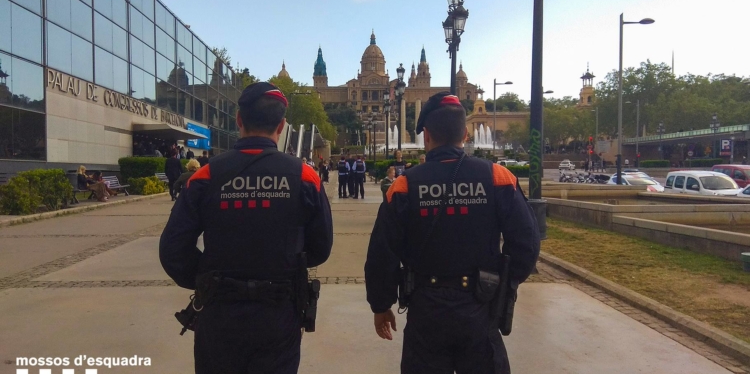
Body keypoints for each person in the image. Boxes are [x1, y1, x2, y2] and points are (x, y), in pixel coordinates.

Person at [160, 82, 333, 374]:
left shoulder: (205, 175)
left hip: (220, 312)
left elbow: (173, 249)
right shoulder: (304, 176)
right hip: (278, 312)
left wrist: (208, 279)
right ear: (281, 126)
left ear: (239, 120)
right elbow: (321, 247)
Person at [365, 92, 540, 374]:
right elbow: (527, 245)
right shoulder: (498, 178)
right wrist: (502, 286)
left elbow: (382, 254)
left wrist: (381, 304)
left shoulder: (404, 185)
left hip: (426, 310)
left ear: (426, 136)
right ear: (466, 135)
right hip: (481, 307)